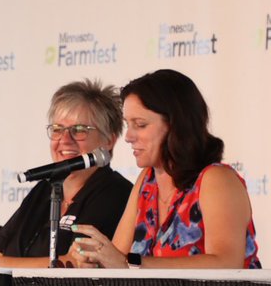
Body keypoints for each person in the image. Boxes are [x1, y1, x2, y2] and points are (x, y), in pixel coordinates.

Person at [67, 69, 261, 270]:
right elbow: (118, 258)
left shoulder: (216, 179)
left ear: (175, 125)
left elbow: (226, 263)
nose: (128, 136)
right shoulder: (146, 181)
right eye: (128, 124)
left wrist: (130, 262)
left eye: (140, 124)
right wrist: (96, 259)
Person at [0, 79, 132, 269]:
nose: (65, 140)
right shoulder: (45, 188)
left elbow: (76, 265)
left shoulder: (116, 193)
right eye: (57, 129)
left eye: (79, 130)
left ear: (109, 140)